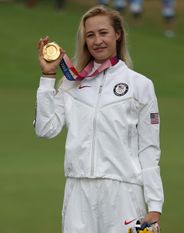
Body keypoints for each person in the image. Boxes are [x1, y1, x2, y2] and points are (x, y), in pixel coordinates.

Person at [34, 5, 163, 233]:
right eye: (90, 35)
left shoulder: (140, 85)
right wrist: (47, 77)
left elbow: (149, 148)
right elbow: (46, 129)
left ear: (117, 34)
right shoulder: (71, 83)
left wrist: (155, 205)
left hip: (124, 193)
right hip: (78, 191)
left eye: (103, 33)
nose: (97, 41)